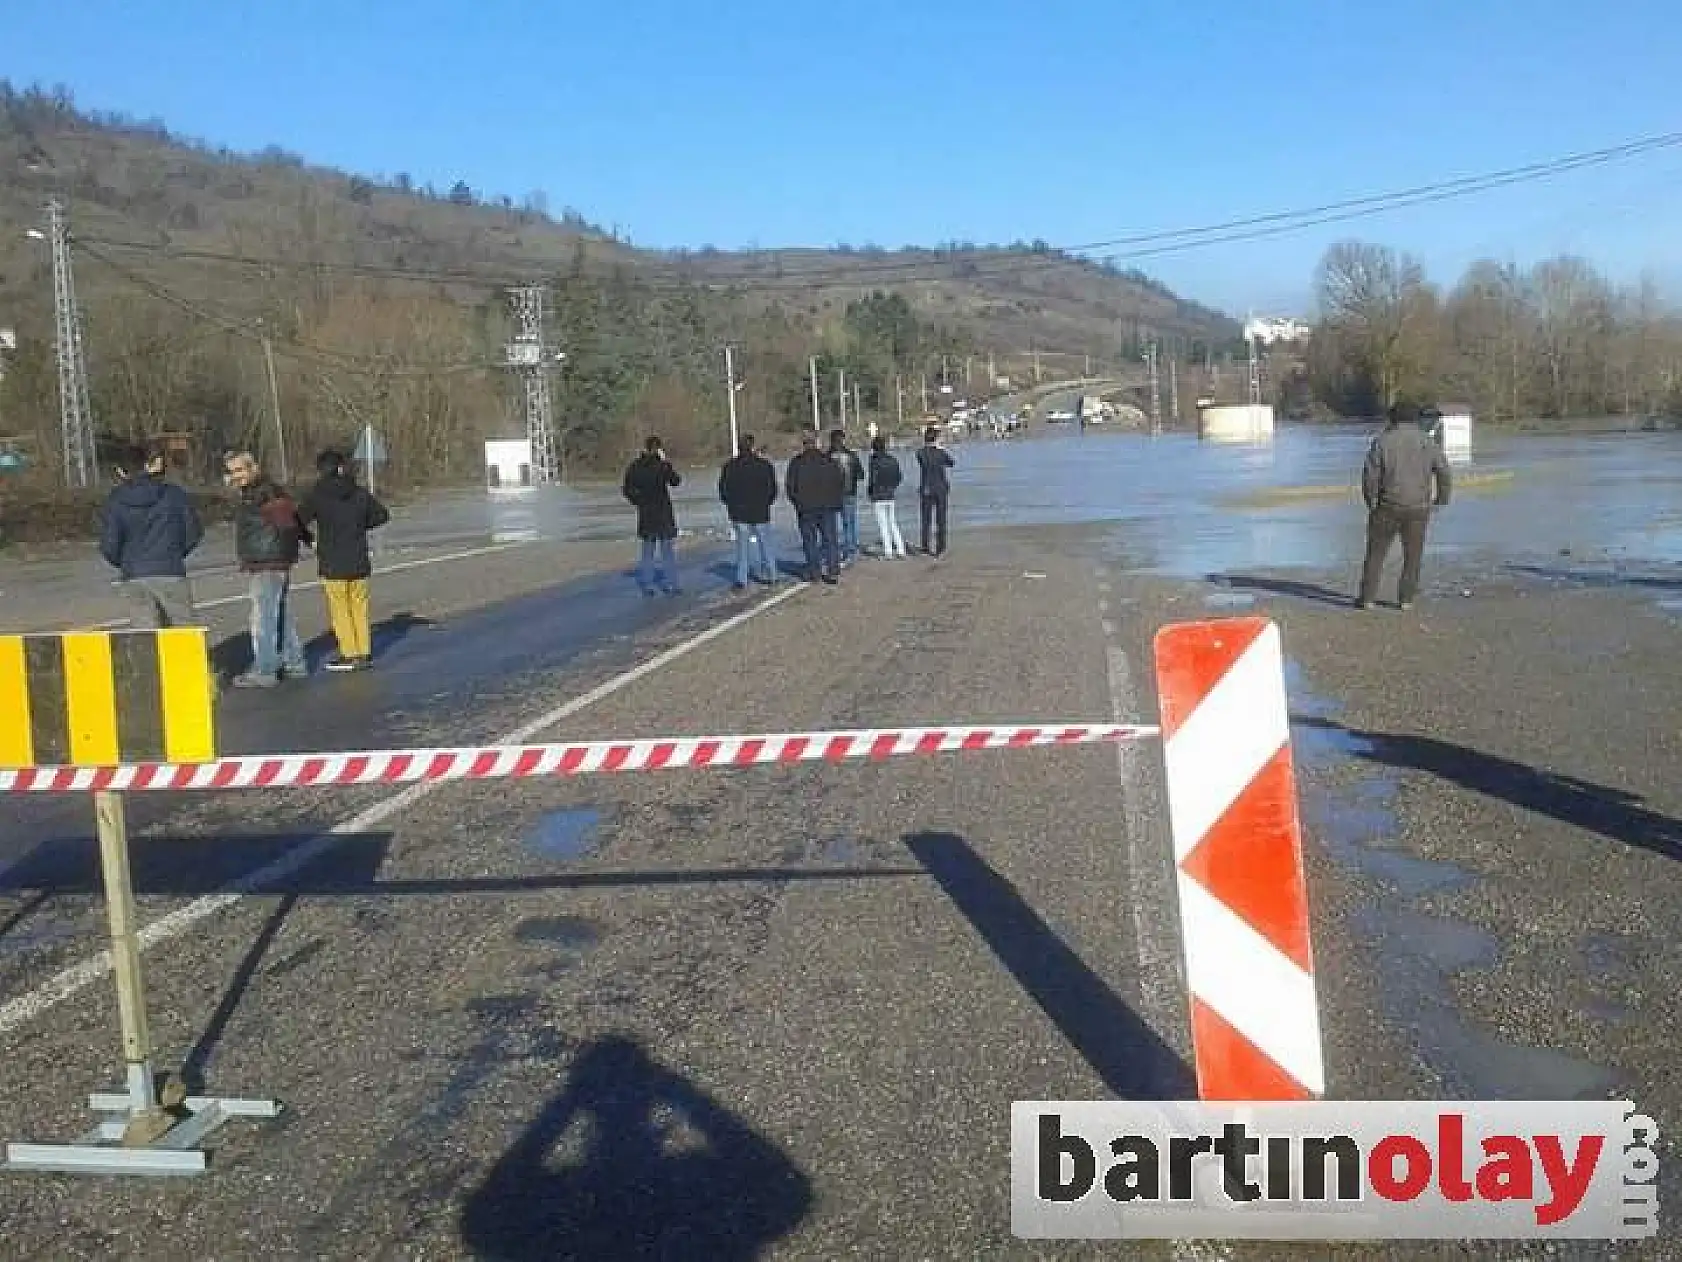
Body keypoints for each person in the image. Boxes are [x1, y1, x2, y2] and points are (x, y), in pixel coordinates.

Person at [297, 448, 389, 671]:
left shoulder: (317, 495)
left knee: (340, 610)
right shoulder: (359, 492)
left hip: (332, 561)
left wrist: (309, 539)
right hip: (358, 559)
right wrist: (359, 525)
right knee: (360, 606)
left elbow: (298, 520)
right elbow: (382, 515)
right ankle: (364, 650)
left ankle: (349, 653)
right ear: (341, 467)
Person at [1356, 402, 1453, 611]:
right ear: (1416, 418)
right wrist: (1441, 499)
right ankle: (1405, 599)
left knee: (1375, 554)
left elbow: (1370, 476)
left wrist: (1371, 501)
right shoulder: (1428, 442)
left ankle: (1367, 598)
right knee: (1413, 556)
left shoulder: (1382, 442)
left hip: (1387, 505)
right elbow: (1444, 471)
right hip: (1418, 507)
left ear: (1393, 418)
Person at [224, 450, 310, 687]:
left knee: (262, 617)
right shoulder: (255, 492)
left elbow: (287, 523)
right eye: (232, 471)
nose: (235, 476)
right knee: (280, 613)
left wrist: (286, 546)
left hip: (268, 560)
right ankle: (294, 662)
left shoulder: (266, 492)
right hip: (271, 559)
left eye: (240, 470)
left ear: (254, 468)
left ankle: (265, 669)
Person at [98, 442, 203, 628]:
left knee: (146, 637)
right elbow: (193, 533)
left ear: (121, 471)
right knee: (183, 633)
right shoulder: (173, 494)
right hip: (170, 570)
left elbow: (110, 544)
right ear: (147, 465)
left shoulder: (115, 501)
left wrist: (124, 562)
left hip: (134, 574)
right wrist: (174, 553)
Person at [622, 436, 682, 596]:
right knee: (667, 550)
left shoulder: (635, 466)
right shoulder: (662, 466)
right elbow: (676, 481)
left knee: (647, 551)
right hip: (662, 512)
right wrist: (666, 462)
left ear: (645, 448)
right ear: (659, 449)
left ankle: (647, 585)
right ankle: (671, 584)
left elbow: (627, 489)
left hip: (646, 512)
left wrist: (638, 501)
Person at [718, 434, 779, 589]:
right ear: (752, 447)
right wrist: (766, 503)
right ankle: (772, 575)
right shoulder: (764, 466)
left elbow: (723, 490)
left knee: (742, 547)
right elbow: (772, 489)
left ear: (739, 447)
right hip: (760, 511)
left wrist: (731, 506)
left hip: (739, 513)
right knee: (765, 545)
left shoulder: (730, 467)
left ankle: (742, 579)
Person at [785, 432, 845, 585]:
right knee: (830, 540)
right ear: (817, 443)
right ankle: (833, 570)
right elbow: (839, 482)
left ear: (804, 444)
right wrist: (836, 502)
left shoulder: (797, 463)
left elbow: (791, 487)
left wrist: (797, 503)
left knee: (810, 540)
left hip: (806, 508)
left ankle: (815, 571)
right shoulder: (828, 461)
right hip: (827, 506)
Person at [915, 425, 955, 556]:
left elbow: (921, 461)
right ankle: (940, 547)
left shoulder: (920, 453)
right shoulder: (940, 453)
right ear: (936, 439)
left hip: (926, 488)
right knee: (941, 519)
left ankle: (925, 546)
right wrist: (941, 448)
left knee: (926, 520)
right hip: (941, 488)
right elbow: (951, 462)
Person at [827, 429, 866, 564]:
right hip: (850, 492)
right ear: (843, 440)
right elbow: (861, 475)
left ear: (831, 441)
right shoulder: (852, 456)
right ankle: (851, 550)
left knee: (830, 525)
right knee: (850, 522)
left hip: (832, 494)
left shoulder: (827, 457)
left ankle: (833, 551)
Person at [866, 434, 907, 558]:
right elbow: (899, 477)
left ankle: (888, 551)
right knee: (893, 523)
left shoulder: (873, 461)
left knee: (883, 524)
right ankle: (900, 549)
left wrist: (870, 491)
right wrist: (892, 487)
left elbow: (873, 479)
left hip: (878, 495)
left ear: (873, 448)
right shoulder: (892, 459)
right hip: (890, 494)